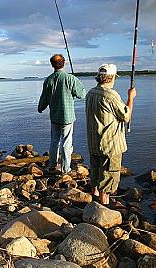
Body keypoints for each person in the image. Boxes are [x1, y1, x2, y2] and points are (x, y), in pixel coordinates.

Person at [86, 64, 136, 205]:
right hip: (110, 145)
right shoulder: (111, 95)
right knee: (108, 175)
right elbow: (126, 116)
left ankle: (94, 198)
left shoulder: (90, 93)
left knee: (95, 171)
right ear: (112, 77)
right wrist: (131, 98)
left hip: (94, 142)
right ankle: (103, 207)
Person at [38, 54, 86, 173]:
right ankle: (65, 169)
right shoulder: (70, 78)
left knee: (54, 141)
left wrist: (40, 107)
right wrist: (77, 85)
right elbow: (82, 94)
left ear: (52, 65)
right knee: (66, 142)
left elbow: (44, 98)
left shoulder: (48, 79)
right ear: (63, 63)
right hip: (67, 117)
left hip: (54, 116)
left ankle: (52, 166)